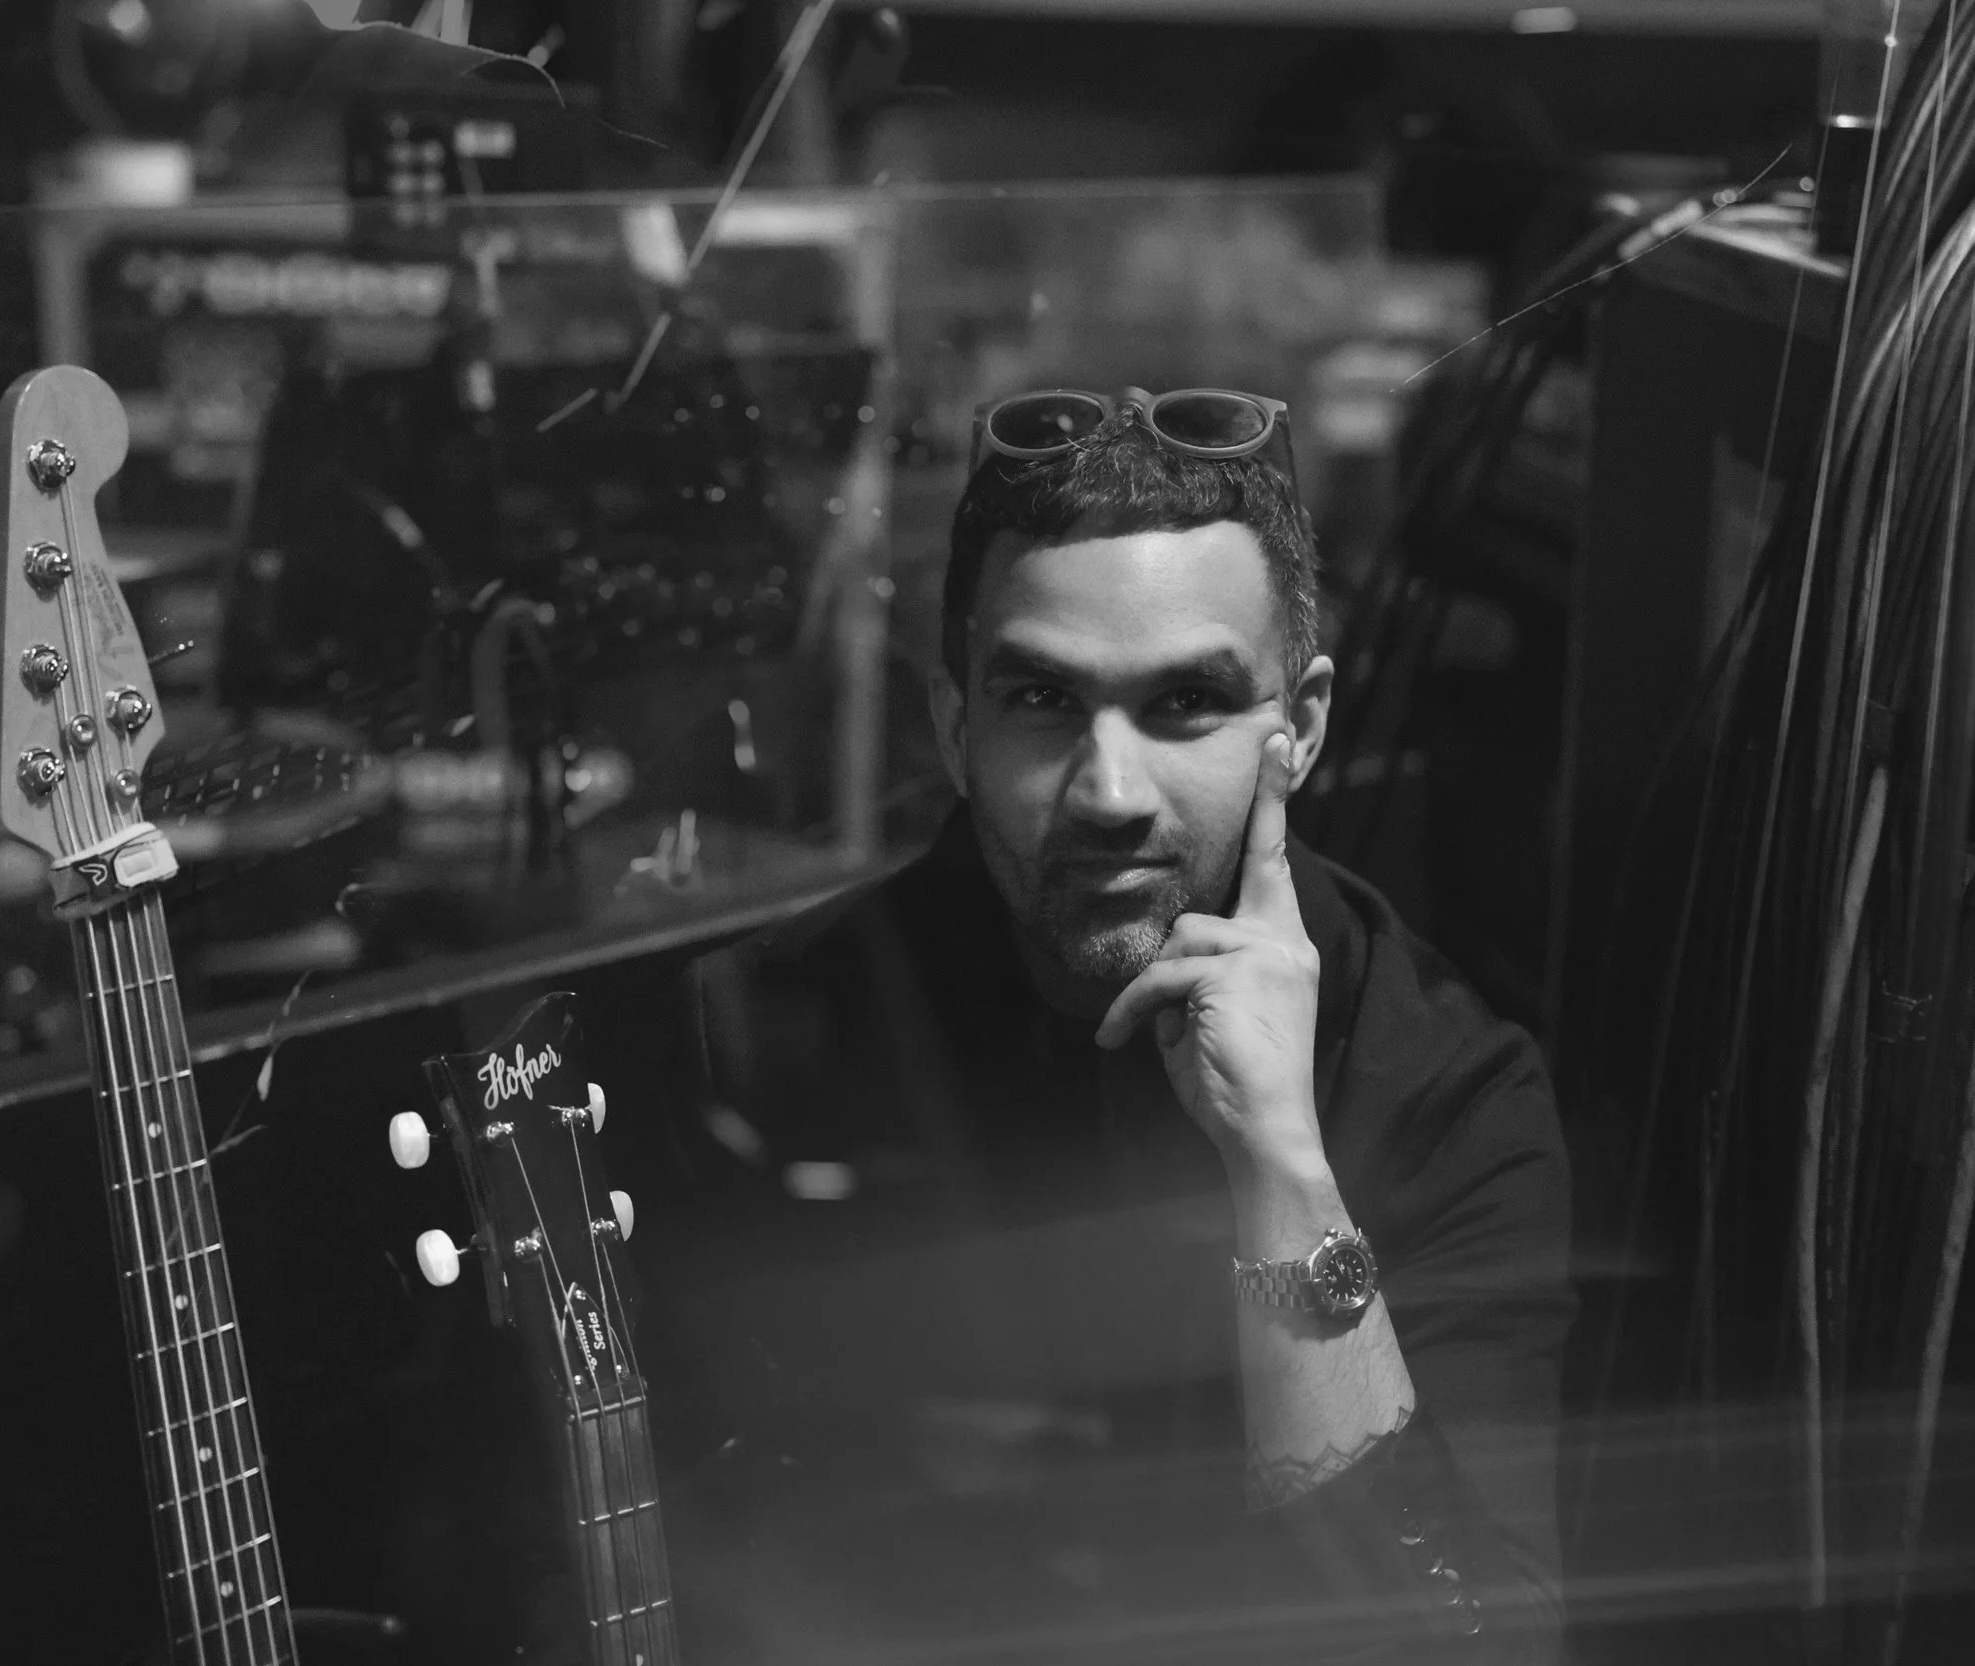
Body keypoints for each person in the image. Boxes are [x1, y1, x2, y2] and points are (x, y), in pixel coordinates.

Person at [656, 388, 1572, 1664]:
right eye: (1042, 697)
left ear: (1300, 727)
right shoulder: (766, 1033)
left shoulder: (1442, 1091)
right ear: (955, 727)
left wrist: (1284, 1173)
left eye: (1186, 701)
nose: (1110, 791)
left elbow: (1476, 1645)